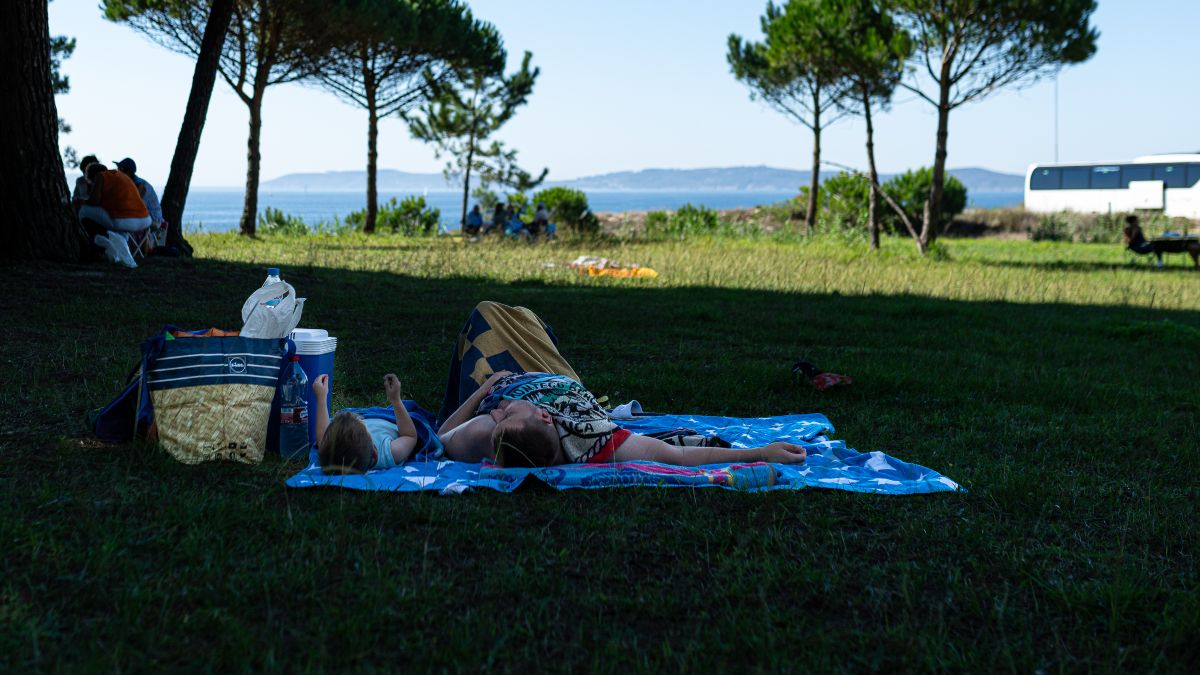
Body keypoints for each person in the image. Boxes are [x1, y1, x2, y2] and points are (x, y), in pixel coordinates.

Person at [438, 370, 808, 468]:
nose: (500, 407)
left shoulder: (487, 433)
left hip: (498, 368)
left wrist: (486, 386)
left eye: (502, 412)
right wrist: (760, 452)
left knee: (486, 312)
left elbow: (441, 434)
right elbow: (677, 457)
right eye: (504, 410)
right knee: (504, 313)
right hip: (550, 368)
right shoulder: (597, 443)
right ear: (547, 418)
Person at [312, 373, 423, 474]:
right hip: (393, 419)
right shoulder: (388, 452)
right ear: (375, 454)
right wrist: (396, 400)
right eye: (362, 424)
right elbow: (410, 436)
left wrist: (321, 398)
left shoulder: (332, 450)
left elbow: (322, 438)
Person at [79, 162, 151, 233]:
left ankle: (90, 236)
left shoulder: (100, 176)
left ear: (93, 177)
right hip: (145, 219)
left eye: (92, 183)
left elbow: (94, 201)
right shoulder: (121, 176)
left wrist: (82, 201)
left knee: (83, 209)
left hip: (126, 221)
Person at [1124, 214, 1200, 269]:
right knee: (1158, 245)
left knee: (1158, 243)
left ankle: (1160, 261)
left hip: (1144, 244)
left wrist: (1149, 240)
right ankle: (1160, 262)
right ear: (1133, 221)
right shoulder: (1129, 229)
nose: (1138, 221)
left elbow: (1143, 239)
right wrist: (1134, 232)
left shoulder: (1138, 228)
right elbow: (1129, 241)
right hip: (1138, 247)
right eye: (1137, 220)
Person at [117, 158, 164, 230]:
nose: (117, 172)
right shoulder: (131, 183)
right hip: (146, 217)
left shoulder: (139, 185)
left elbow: (135, 205)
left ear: (128, 172)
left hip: (154, 220)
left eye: (120, 169)